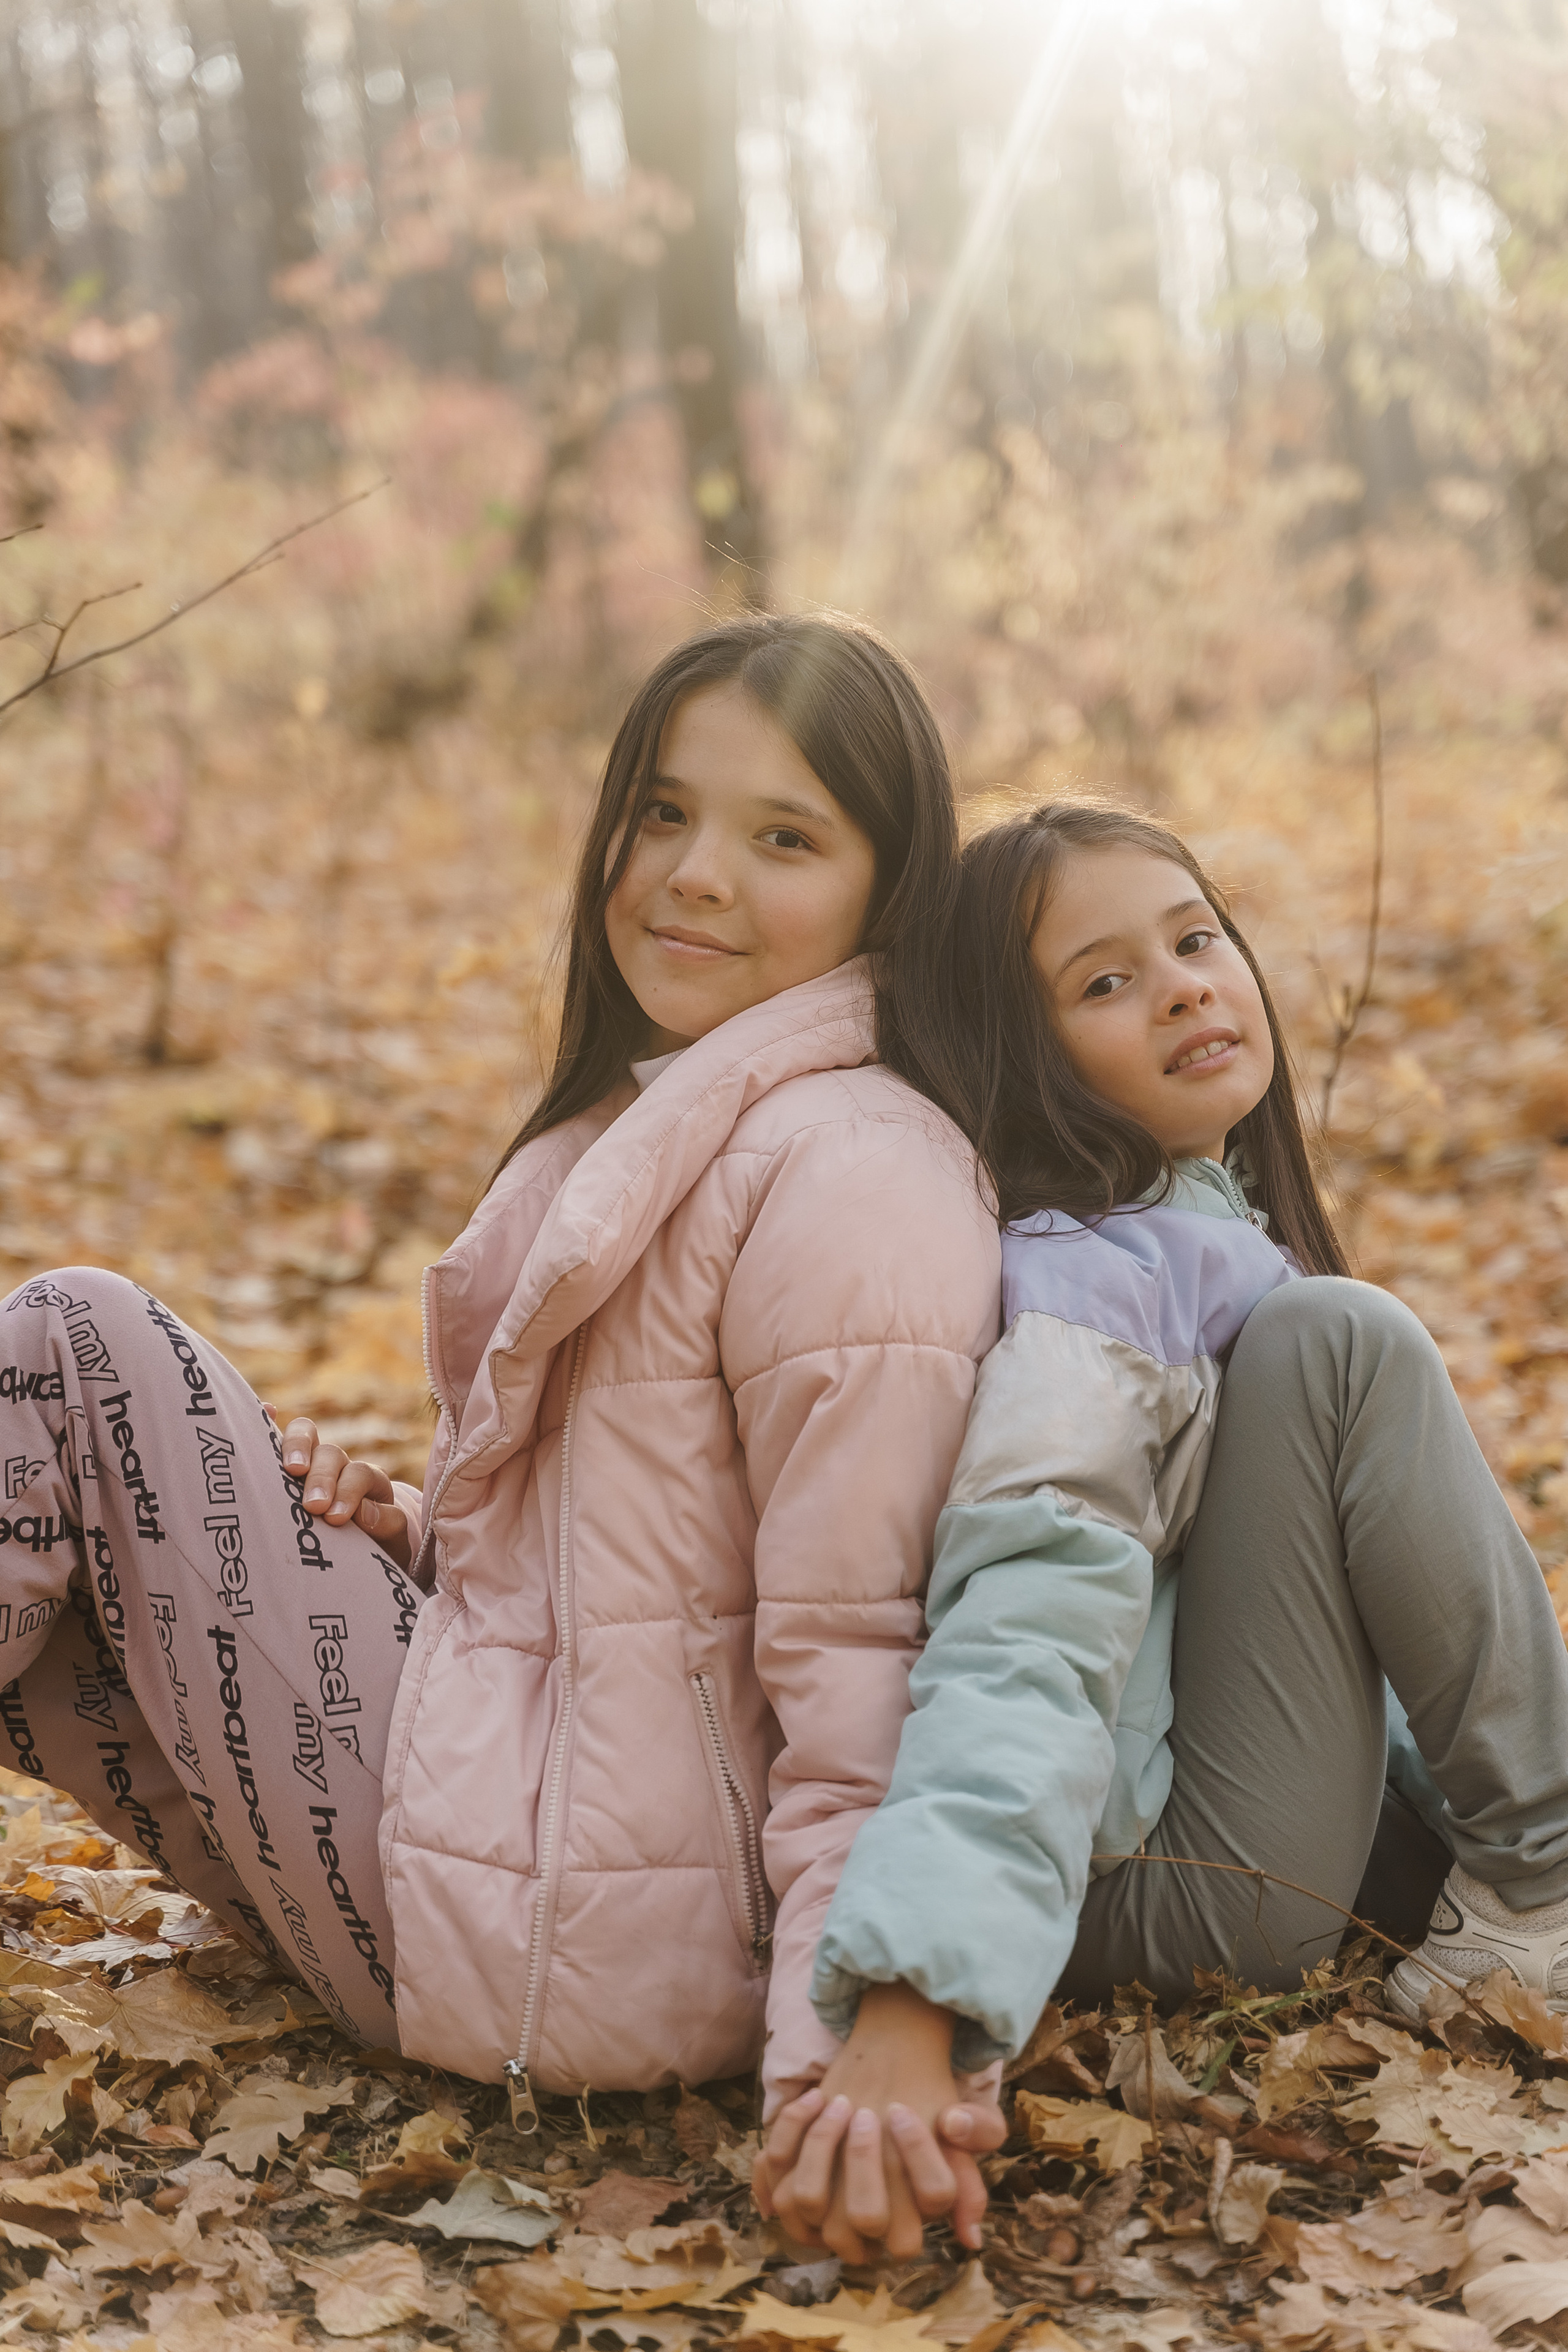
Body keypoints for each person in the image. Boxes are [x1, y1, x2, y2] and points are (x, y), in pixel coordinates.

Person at [0, 615, 1004, 2211]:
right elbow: (627, 1585)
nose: (691, 874)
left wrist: (859, 2055)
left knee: (69, 1345)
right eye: (663, 810)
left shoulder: (856, 1178)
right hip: (519, 1857)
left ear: (891, 891)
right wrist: (406, 1539)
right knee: (43, 1534)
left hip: (595, 1942)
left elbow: (872, 1664)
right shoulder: (675, 1124)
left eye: (784, 836)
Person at [756, 797, 1568, 2261]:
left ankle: (1522, 1865)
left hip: (1218, 1836)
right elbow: (1024, 1629)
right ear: (1022, 1058)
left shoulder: (1199, 1242)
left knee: (1324, 1337)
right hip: (1150, 1885)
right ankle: (1545, 1877)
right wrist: (918, 1990)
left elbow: (1321, 1636)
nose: (1185, 984)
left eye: (1193, 941)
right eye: (1104, 981)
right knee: (1343, 1342)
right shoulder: (1084, 1292)